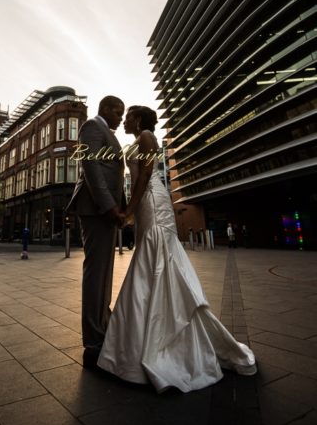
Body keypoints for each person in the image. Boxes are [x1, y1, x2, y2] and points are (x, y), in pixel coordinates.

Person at [97, 105, 256, 393]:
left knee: (155, 256)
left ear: (140, 119)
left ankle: (160, 341)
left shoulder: (146, 136)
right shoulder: (135, 141)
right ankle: (144, 336)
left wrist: (129, 211)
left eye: (129, 115)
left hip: (152, 202)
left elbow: (144, 177)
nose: (126, 120)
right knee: (151, 259)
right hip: (145, 204)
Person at [67, 95, 125, 369]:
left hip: (106, 212)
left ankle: (102, 324)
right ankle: (93, 341)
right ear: (105, 109)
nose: (121, 117)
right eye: (118, 111)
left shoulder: (106, 133)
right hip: (96, 209)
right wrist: (109, 206)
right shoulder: (92, 126)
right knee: (96, 272)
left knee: (104, 273)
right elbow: (91, 168)